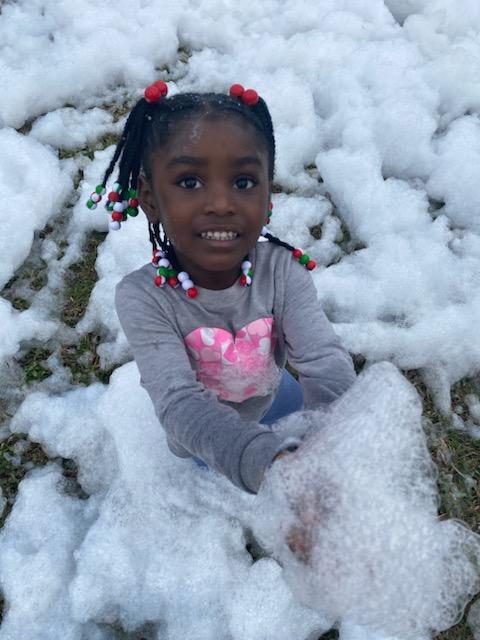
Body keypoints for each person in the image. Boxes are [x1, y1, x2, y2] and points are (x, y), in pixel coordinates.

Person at [87, 80, 356, 495]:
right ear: (150, 200)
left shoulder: (283, 272)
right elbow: (181, 404)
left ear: (268, 199)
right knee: (218, 474)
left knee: (285, 410)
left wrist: (332, 442)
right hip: (203, 433)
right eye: (190, 182)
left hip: (277, 395)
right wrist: (266, 464)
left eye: (244, 182)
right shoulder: (143, 298)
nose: (221, 204)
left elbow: (324, 360)